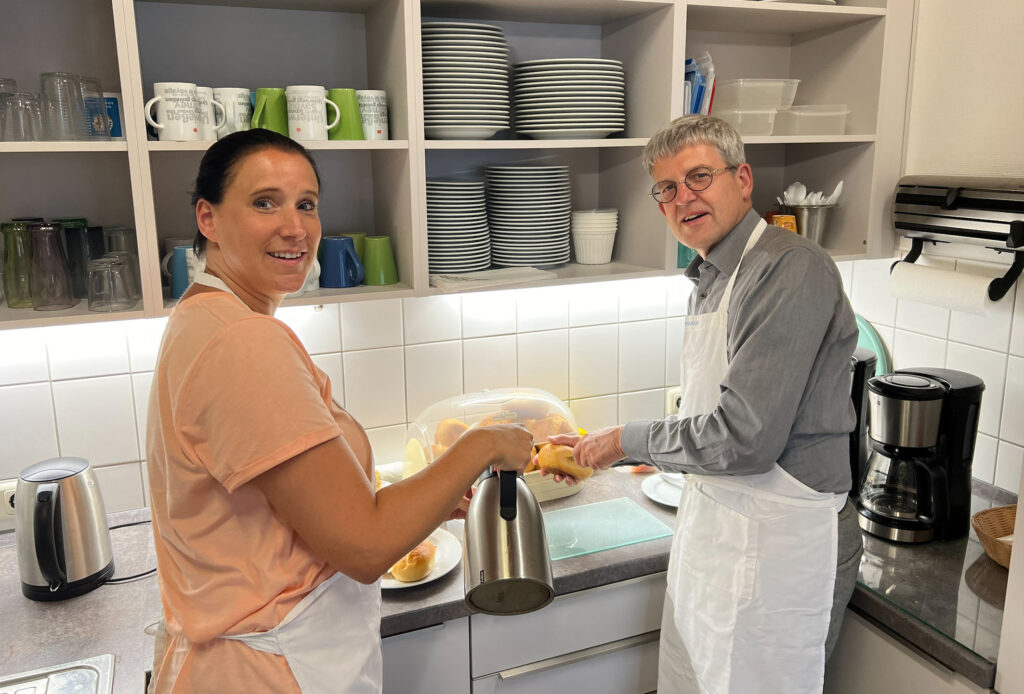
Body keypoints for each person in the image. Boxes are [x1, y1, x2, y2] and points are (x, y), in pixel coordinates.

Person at [145, 128, 533, 693]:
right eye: (264, 203)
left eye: (307, 204)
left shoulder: (208, 318)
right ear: (208, 218)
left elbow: (310, 504)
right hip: (268, 670)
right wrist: (484, 444)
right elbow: (364, 544)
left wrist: (426, 498)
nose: (294, 227)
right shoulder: (242, 342)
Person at [545, 115, 863, 693]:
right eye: (666, 189)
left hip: (784, 543)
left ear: (742, 179)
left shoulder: (789, 269)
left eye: (697, 176)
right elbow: (715, 413)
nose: (681, 197)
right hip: (723, 528)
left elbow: (745, 437)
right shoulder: (713, 273)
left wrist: (622, 440)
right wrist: (628, 450)